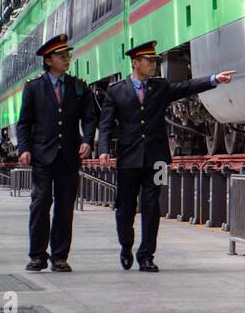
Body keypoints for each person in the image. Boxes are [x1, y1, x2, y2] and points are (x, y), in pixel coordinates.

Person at [97, 41, 235, 271]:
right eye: (149, 61)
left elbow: (186, 87)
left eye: (154, 60)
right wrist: (103, 149)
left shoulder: (159, 87)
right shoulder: (116, 91)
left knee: (152, 205)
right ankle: (126, 246)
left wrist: (214, 80)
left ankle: (147, 255)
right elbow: (106, 125)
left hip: (158, 159)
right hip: (128, 160)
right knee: (125, 208)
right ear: (135, 63)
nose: (154, 64)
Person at [15, 34, 97, 272]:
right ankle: (37, 256)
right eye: (62, 56)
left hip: (69, 157)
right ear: (48, 60)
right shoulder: (33, 87)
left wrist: (88, 140)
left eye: (68, 55)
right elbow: (24, 123)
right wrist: (24, 148)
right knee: (40, 204)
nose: (67, 59)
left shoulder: (79, 87)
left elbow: (89, 117)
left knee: (64, 207)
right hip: (42, 155)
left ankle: (60, 256)